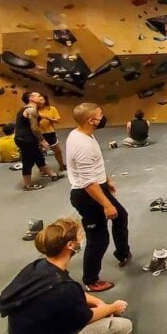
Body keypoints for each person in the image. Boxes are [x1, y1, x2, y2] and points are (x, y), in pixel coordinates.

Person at [0, 218, 132, 334]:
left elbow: (72, 293)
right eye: (80, 236)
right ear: (70, 245)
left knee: (100, 313)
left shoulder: (39, 266)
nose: (82, 239)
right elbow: (86, 317)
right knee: (123, 328)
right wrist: (113, 307)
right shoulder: (62, 288)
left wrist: (99, 302)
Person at [66, 103, 131, 292]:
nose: (103, 117)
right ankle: (90, 280)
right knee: (99, 239)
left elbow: (93, 167)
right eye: (100, 115)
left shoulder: (81, 134)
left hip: (97, 186)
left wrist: (106, 179)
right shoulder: (82, 145)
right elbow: (87, 182)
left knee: (121, 216)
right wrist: (107, 204)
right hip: (87, 195)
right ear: (91, 120)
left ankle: (122, 253)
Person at [14, 92, 63, 191]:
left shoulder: (28, 109)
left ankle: (53, 175)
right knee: (28, 161)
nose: (41, 98)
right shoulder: (31, 110)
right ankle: (28, 185)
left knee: (39, 157)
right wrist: (42, 140)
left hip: (25, 138)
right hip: (26, 139)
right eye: (39, 96)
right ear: (32, 98)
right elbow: (34, 128)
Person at [38, 94, 66, 172]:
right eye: (38, 100)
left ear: (45, 100)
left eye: (41, 99)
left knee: (58, 151)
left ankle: (61, 165)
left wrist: (46, 118)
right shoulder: (34, 110)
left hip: (50, 132)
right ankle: (42, 170)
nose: (40, 101)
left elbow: (57, 120)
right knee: (39, 153)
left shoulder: (52, 109)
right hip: (39, 133)